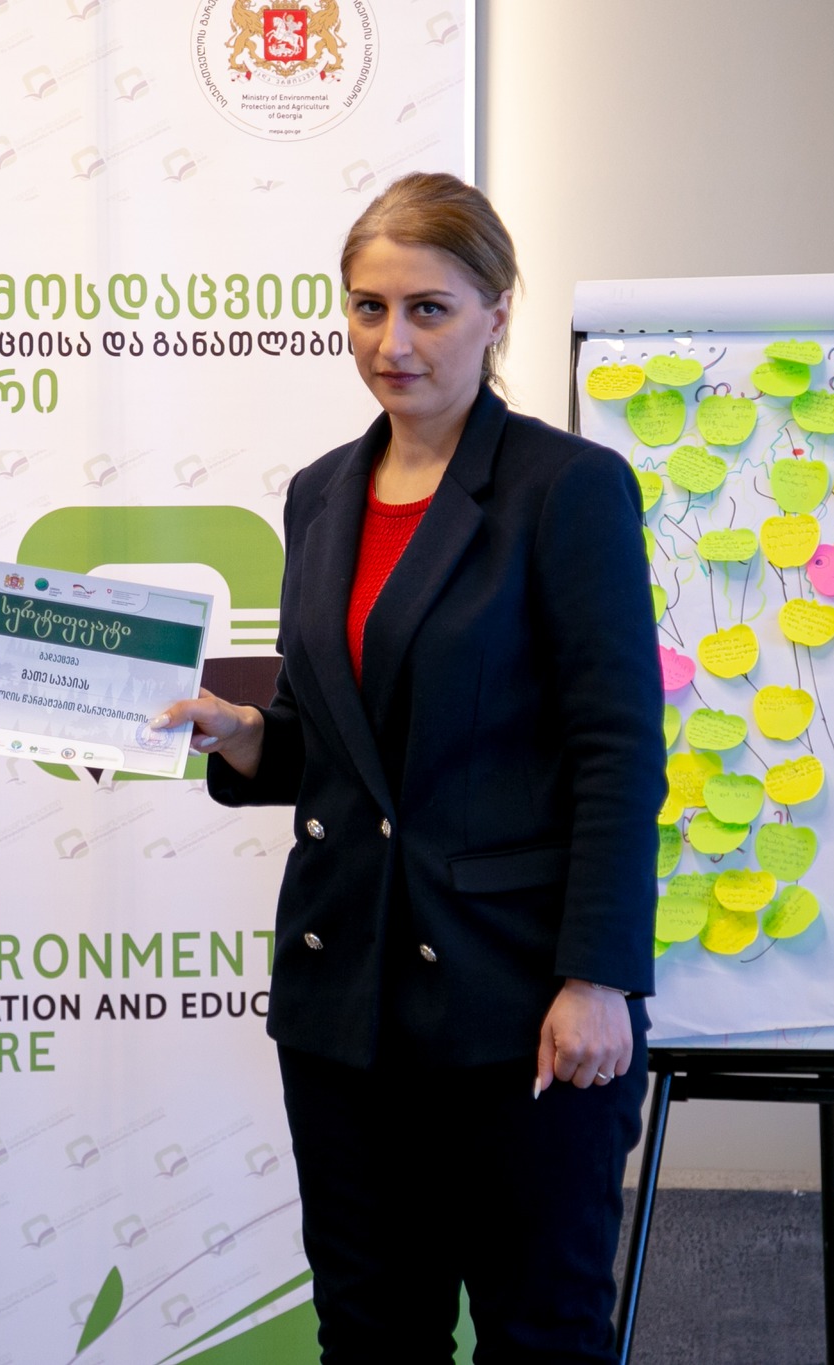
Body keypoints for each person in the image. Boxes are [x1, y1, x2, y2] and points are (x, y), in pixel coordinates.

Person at [155, 172, 664, 1362]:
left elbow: (617, 751)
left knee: (541, 1336)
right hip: (344, 1001)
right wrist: (241, 736)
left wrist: (596, 978)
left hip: (520, 1000)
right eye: (368, 307)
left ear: (495, 314)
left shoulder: (566, 488)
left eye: (427, 309)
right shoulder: (318, 494)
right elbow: (341, 745)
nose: (392, 342)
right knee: (368, 1335)